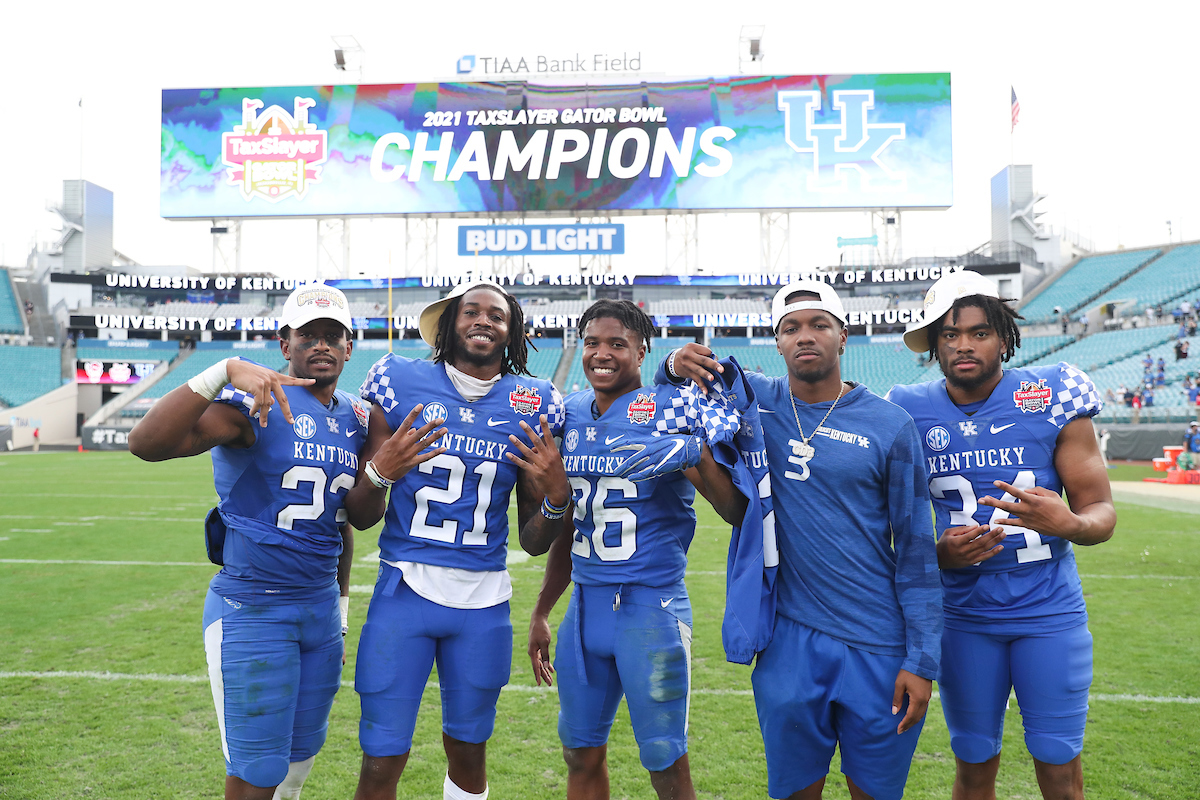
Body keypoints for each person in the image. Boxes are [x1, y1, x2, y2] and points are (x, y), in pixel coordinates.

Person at [662, 281, 942, 800]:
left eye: (819, 325)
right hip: (788, 640)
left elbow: (917, 549)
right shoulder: (756, 400)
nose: (805, 336)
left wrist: (922, 660)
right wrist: (674, 362)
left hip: (877, 642)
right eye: (791, 328)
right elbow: (673, 387)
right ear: (777, 343)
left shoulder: (891, 424)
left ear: (844, 336)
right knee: (793, 792)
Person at [127, 284, 397, 800]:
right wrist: (221, 370)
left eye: (332, 336)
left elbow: (344, 524)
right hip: (254, 608)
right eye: (308, 335)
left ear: (348, 346)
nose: (320, 345)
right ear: (284, 343)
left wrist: (340, 614)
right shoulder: (257, 402)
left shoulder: (356, 417)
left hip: (319, 612)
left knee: (298, 763)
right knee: (258, 772)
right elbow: (147, 444)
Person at [888, 270, 1116, 800]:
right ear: (932, 343)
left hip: (1048, 612)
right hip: (963, 617)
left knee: (1059, 767)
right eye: (950, 334)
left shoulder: (1051, 394)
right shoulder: (905, 407)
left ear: (1003, 337)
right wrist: (936, 554)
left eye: (978, 332)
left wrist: (1071, 525)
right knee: (972, 761)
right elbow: (883, 523)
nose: (964, 345)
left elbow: (1100, 509)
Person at [517, 299, 748, 800]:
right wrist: (541, 611)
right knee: (578, 752)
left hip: (650, 606)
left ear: (642, 351)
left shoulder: (667, 412)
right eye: (593, 343)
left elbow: (733, 511)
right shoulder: (570, 413)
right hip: (585, 610)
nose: (603, 353)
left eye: (617, 343)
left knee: (665, 762)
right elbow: (569, 525)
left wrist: (696, 452)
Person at [351, 281, 563, 800]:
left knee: (469, 751)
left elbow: (535, 540)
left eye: (497, 315)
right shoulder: (397, 379)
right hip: (405, 589)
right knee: (382, 755)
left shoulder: (535, 402)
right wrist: (380, 472)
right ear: (450, 323)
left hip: (484, 601)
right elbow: (359, 515)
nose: (484, 321)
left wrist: (556, 502)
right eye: (471, 311)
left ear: (511, 332)